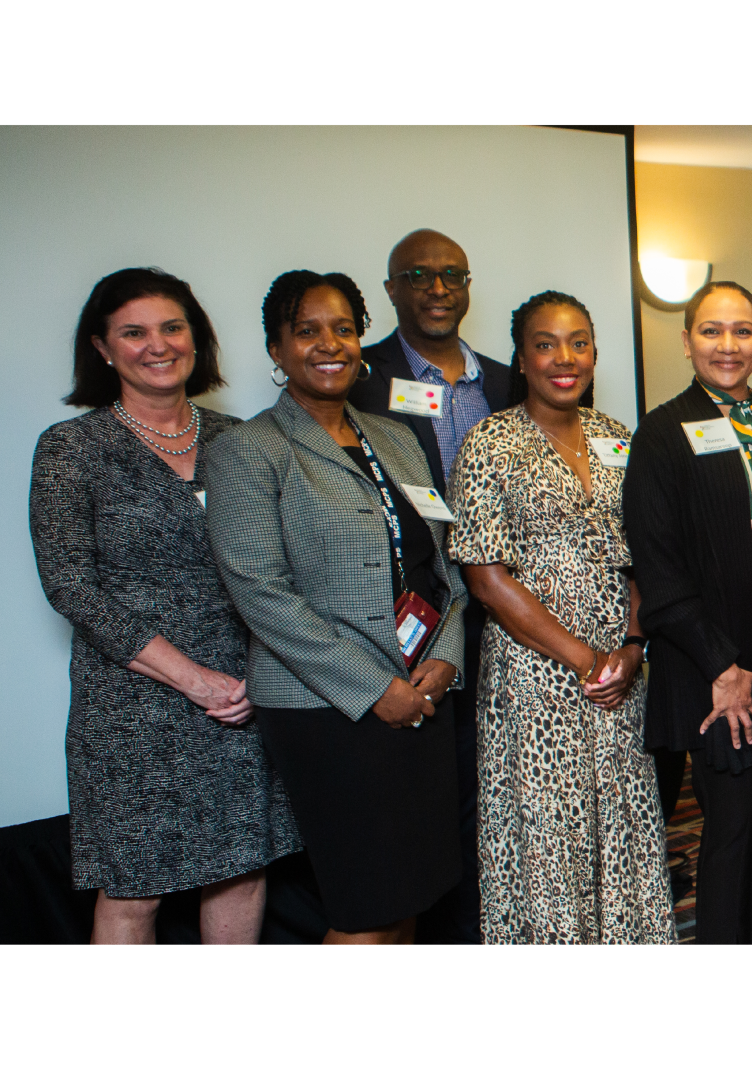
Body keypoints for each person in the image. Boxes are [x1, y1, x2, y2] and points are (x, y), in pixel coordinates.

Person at [31, 268, 300, 945]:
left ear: (196, 338)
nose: (158, 345)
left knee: (240, 870)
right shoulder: (71, 448)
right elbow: (70, 586)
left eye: (172, 327)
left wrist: (256, 674)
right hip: (131, 704)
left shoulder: (241, 439)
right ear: (102, 349)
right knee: (134, 888)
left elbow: (280, 568)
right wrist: (194, 680)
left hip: (243, 692)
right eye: (134, 332)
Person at [205, 270, 467, 945]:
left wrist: (445, 658)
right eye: (307, 331)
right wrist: (376, 688)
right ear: (276, 349)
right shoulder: (247, 450)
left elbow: (443, 566)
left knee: (413, 895)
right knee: (368, 908)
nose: (330, 344)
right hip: (329, 712)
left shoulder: (396, 438)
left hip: (423, 693)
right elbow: (259, 591)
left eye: (344, 329)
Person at [448, 291, 675, 944]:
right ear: (521, 359)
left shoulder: (617, 438)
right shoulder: (490, 442)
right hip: (535, 680)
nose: (564, 358)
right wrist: (585, 660)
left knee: (624, 826)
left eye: (579, 343)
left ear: (595, 354)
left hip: (619, 678)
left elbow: (645, 555)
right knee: (551, 838)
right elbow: (486, 579)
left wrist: (631, 647)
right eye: (545, 345)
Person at [627, 281, 752, 944]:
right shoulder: (662, 432)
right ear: (686, 342)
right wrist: (721, 667)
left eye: (742, 330)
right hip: (715, 669)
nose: (727, 345)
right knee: (729, 827)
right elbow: (658, 567)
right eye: (711, 330)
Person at [348, 228, 512, 945]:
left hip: (507, 610)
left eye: (453, 274)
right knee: (425, 798)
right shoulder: (359, 374)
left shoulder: (507, 381)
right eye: (419, 275)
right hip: (411, 618)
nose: (438, 289)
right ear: (391, 289)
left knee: (493, 785)